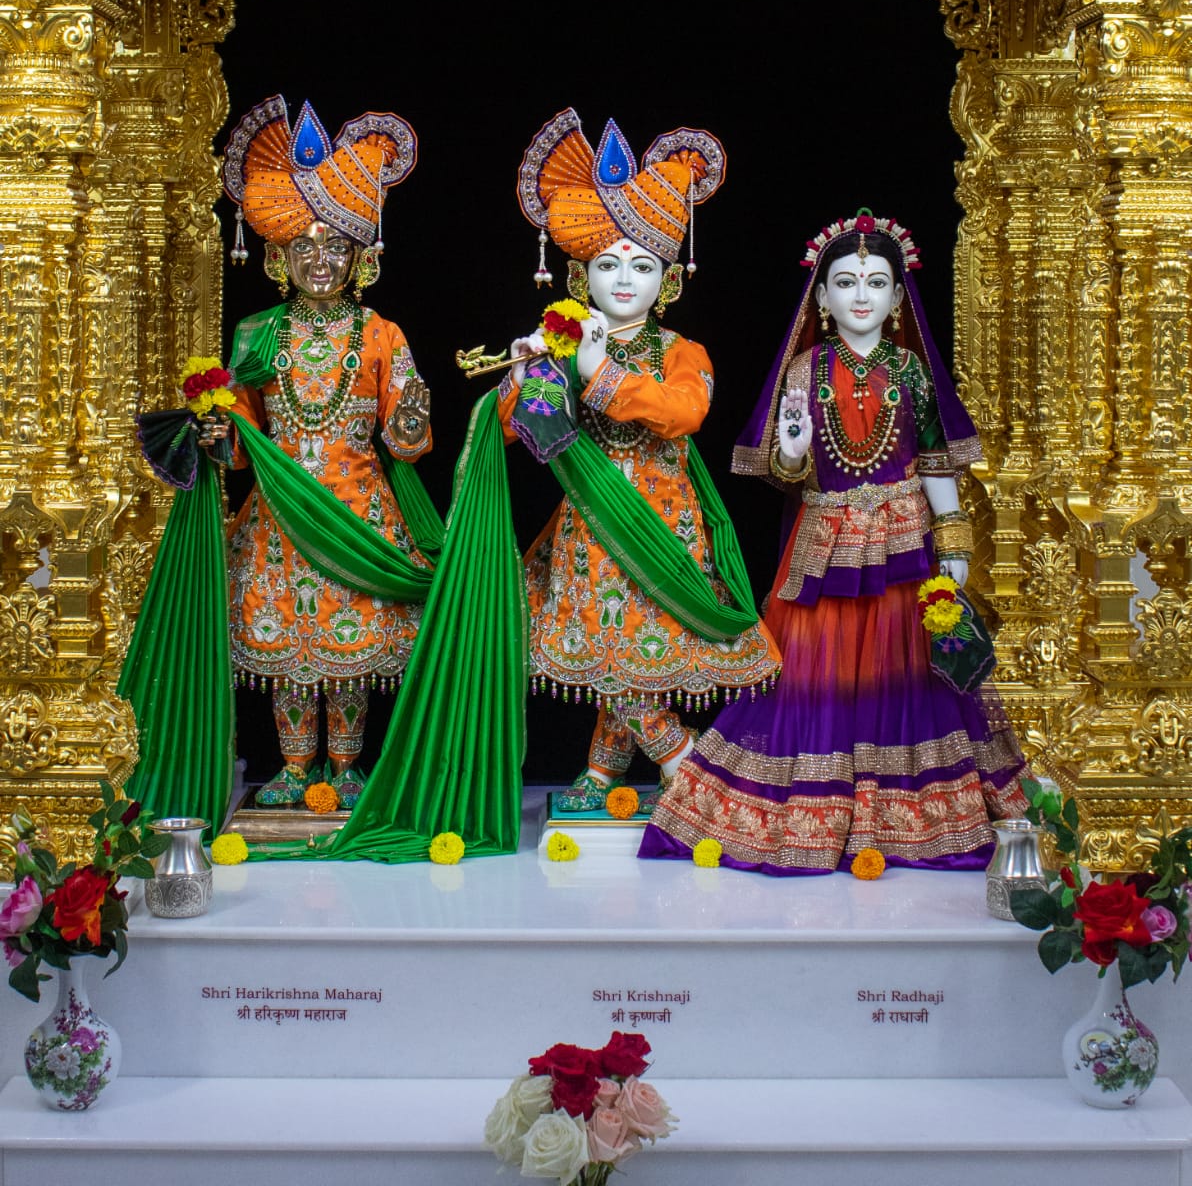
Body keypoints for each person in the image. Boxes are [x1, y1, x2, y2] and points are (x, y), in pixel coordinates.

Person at [640, 208, 1028, 872]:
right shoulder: (803, 373)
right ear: (821, 298)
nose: (861, 296)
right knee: (810, 672)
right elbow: (789, 470)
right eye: (846, 282)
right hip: (825, 544)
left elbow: (935, 461)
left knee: (904, 672)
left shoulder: (912, 373)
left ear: (898, 299)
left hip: (905, 545)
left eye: (876, 283)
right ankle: (806, 817)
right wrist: (792, 446)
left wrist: (956, 541)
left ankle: (904, 821)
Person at [501, 109, 780, 812]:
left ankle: (666, 765)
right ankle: (636, 771)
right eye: (607, 264)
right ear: (578, 274)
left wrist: (596, 370)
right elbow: (518, 435)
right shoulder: (559, 340)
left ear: (669, 279)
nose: (624, 279)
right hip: (592, 529)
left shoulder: (685, 352)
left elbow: (685, 414)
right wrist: (525, 374)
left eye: (643, 265)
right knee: (610, 649)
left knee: (636, 651)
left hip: (663, 529)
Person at [216, 94, 434, 807]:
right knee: (289, 654)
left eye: (334, 246)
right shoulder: (257, 332)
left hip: (359, 516)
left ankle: (344, 767)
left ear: (359, 257)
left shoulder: (382, 334)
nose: (318, 260)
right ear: (277, 255)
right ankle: (291, 767)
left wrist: (411, 418)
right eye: (302, 247)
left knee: (345, 655)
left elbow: (408, 444)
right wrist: (220, 435)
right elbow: (242, 441)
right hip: (279, 518)